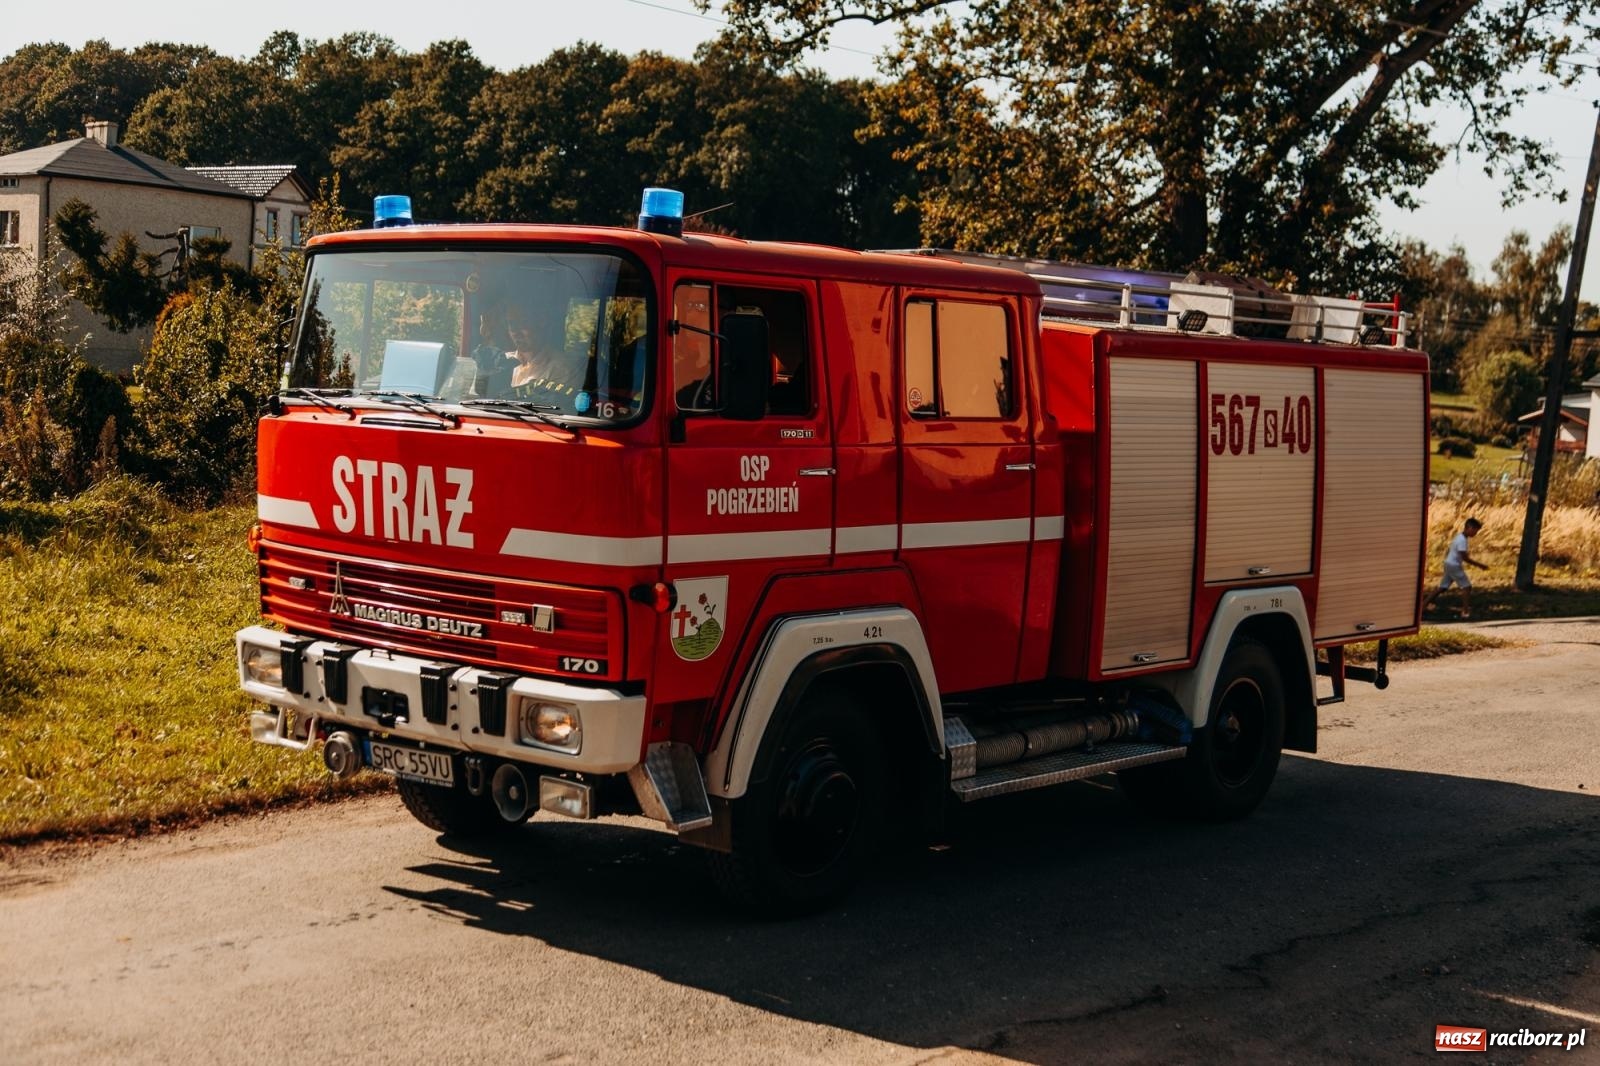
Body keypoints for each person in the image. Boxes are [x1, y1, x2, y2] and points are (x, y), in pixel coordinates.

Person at [1423, 517, 1488, 618]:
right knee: (1467, 587)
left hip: (1449, 563)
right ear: (1469, 527)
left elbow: (1450, 550)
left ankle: (1424, 604)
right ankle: (1465, 612)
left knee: (1442, 587)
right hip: (1454, 565)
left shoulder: (1459, 537)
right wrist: (1480, 565)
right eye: (1475, 530)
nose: (1475, 533)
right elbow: (1465, 557)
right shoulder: (1462, 540)